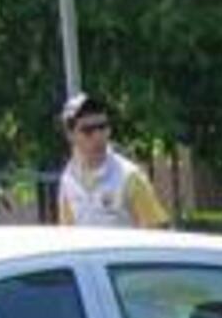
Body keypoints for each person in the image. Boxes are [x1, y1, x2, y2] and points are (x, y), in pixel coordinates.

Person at [54, 93, 168, 230]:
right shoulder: (68, 180)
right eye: (88, 130)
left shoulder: (130, 177)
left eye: (102, 127)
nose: (98, 136)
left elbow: (158, 232)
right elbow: (68, 235)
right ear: (70, 135)